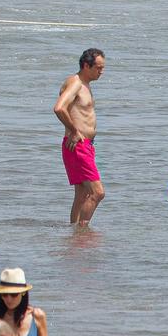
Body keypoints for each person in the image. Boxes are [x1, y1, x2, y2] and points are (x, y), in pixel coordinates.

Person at [54, 48, 104, 225]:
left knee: (82, 194)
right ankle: (82, 232)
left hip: (84, 146)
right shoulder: (75, 83)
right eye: (98, 68)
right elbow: (59, 108)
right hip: (78, 146)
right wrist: (74, 131)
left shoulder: (83, 84)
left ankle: (73, 235)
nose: (101, 72)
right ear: (86, 65)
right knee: (98, 193)